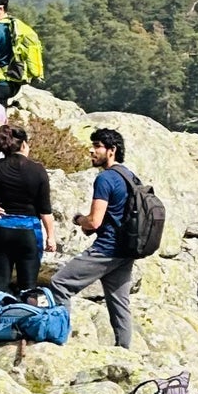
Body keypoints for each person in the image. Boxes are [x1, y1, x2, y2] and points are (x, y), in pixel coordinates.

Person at [51, 129, 137, 348]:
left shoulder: (105, 178)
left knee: (60, 283)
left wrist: (80, 220)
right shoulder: (130, 177)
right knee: (119, 303)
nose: (92, 150)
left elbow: (95, 221)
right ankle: (125, 353)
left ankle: (58, 339)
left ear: (112, 150)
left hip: (106, 248)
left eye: (98, 146)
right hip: (126, 249)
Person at [0, 123, 54, 298]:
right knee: (29, 287)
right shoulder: (38, 170)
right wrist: (51, 237)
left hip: (1, 229)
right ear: (24, 144)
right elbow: (45, 209)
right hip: (29, 231)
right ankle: (28, 321)